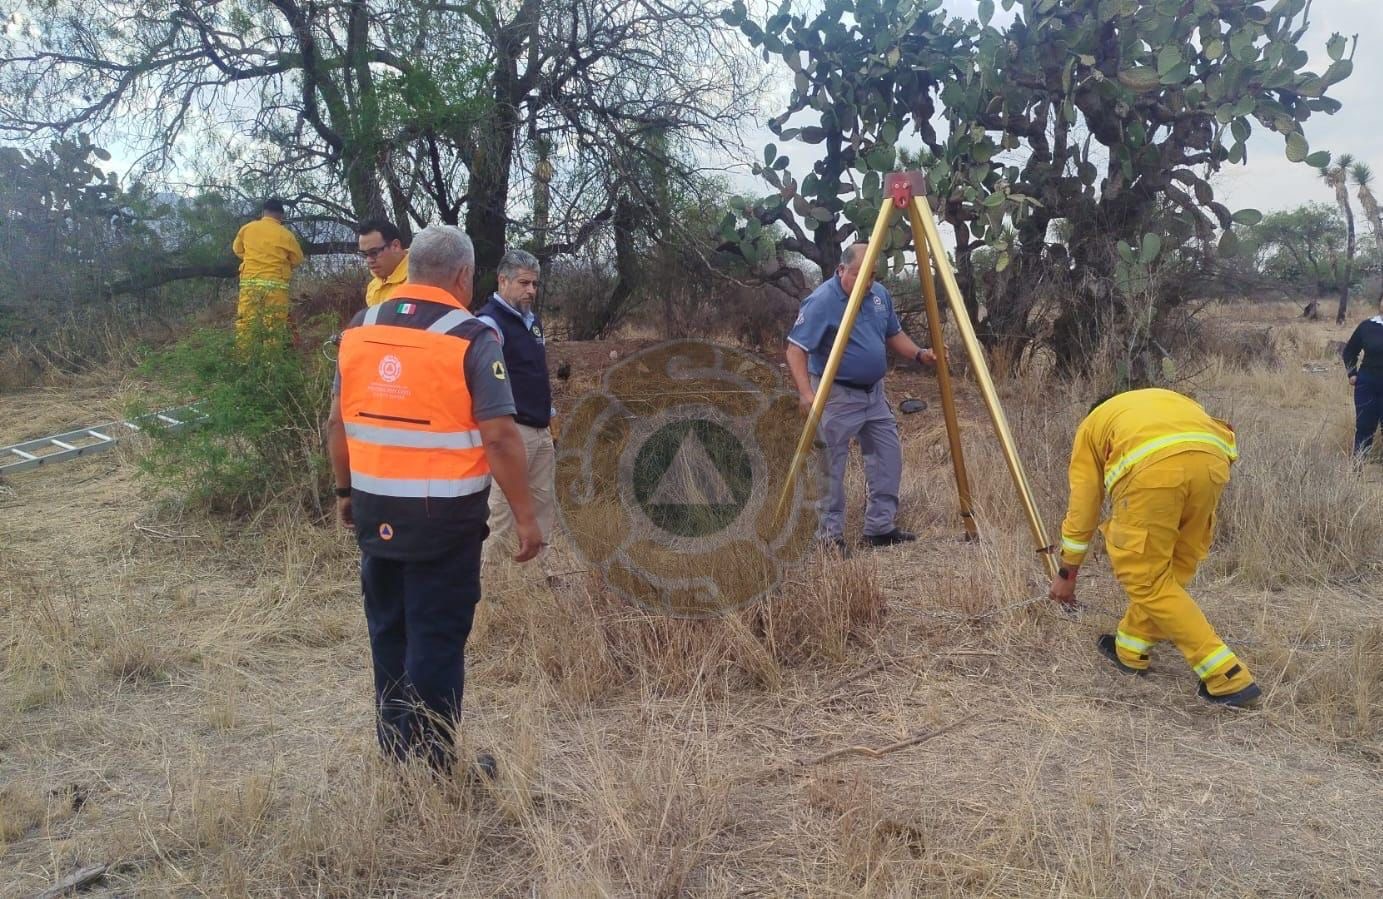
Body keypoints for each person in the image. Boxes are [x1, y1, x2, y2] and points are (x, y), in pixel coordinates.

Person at [325, 225, 543, 773]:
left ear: (412, 266)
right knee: (437, 638)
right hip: (444, 521)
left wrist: (345, 491)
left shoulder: (360, 327)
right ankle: (439, 766)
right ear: (465, 276)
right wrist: (525, 515)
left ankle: (397, 754)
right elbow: (498, 436)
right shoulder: (471, 336)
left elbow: (336, 422)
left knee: (389, 635)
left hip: (375, 513)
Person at [1048, 388, 1260, 708]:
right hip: (1213, 462)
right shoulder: (1162, 399)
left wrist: (1068, 571)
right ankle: (1131, 649)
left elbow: (1084, 507)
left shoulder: (1092, 425)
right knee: (1175, 566)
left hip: (1156, 471)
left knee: (1146, 579)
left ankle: (1226, 675)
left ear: (1095, 411)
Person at [785, 242, 937, 550]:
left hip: (874, 395)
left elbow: (893, 334)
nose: (867, 283)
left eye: (872, 275)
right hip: (836, 394)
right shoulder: (822, 301)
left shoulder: (879, 295)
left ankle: (880, 527)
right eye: (859, 275)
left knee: (887, 456)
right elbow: (795, 348)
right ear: (841, 269)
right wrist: (805, 393)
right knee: (831, 464)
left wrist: (920, 354)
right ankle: (828, 537)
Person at [473, 249, 558, 576]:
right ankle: (488, 580)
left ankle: (541, 577)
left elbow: (536, 372)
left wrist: (551, 416)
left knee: (542, 504)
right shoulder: (489, 322)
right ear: (503, 280)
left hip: (539, 429)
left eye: (535, 284)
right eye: (524, 283)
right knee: (501, 510)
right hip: (511, 431)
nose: (531, 290)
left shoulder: (532, 321)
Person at [231, 198, 303, 343]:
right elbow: (297, 260)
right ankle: (271, 363)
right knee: (274, 325)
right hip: (276, 286)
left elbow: (237, 249)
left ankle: (245, 360)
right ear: (281, 215)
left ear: (263, 212)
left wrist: (253, 258)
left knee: (246, 323)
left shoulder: (247, 228)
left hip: (250, 285)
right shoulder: (286, 235)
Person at [1342, 298, 1383, 457]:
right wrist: (1352, 373)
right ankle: (1357, 469)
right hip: (1367, 384)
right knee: (1365, 426)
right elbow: (1350, 350)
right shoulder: (1367, 326)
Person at [357, 218, 410, 308]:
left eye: (374, 252)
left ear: (395, 246)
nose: (369, 260)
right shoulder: (373, 287)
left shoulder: (421, 279)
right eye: (364, 254)